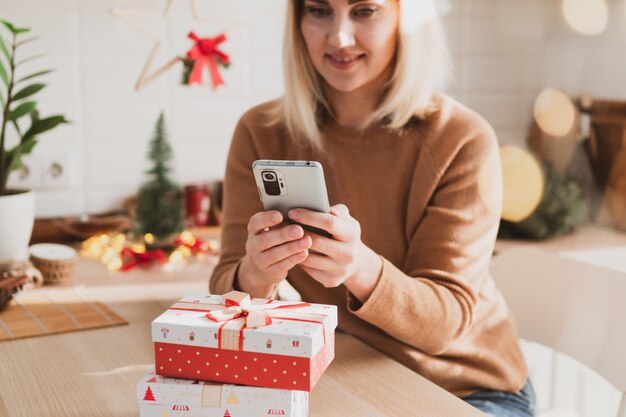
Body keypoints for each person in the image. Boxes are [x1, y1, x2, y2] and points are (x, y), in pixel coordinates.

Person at [210, 0, 535, 415]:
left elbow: (444, 324)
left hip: (469, 390)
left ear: (407, 18)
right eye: (319, 10)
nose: (339, 37)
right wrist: (255, 274)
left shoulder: (461, 139)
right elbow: (223, 286)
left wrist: (360, 269)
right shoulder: (261, 132)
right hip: (353, 376)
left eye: (364, 10)